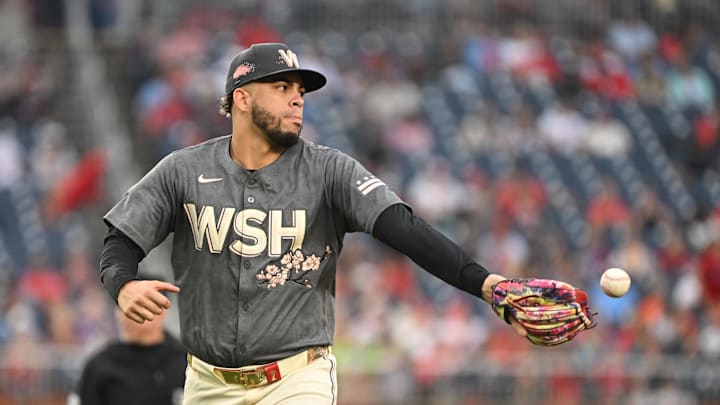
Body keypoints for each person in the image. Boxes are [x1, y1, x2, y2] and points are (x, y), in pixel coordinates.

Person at [99, 42, 592, 404]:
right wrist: (122, 285)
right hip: (207, 384)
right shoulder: (185, 169)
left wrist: (486, 284)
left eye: (300, 90)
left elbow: (405, 229)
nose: (298, 98)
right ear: (242, 99)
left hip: (296, 381)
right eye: (282, 87)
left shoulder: (329, 171)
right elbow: (120, 238)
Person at [69, 298, 186, 405]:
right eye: (124, 304)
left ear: (163, 310)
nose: (129, 312)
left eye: (142, 305)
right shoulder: (100, 365)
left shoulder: (186, 362)